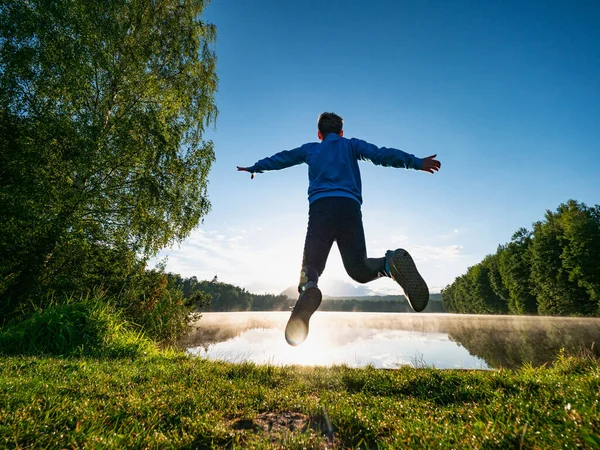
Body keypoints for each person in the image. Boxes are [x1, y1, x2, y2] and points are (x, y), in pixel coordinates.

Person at [237, 112, 441, 346]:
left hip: (321, 211)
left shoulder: (311, 149)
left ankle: (309, 289)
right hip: (349, 210)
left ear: (319, 134)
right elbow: (381, 155)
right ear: (341, 133)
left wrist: (256, 167)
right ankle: (388, 263)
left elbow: (282, 158)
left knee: (310, 269)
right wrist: (415, 162)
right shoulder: (352, 146)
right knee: (359, 269)